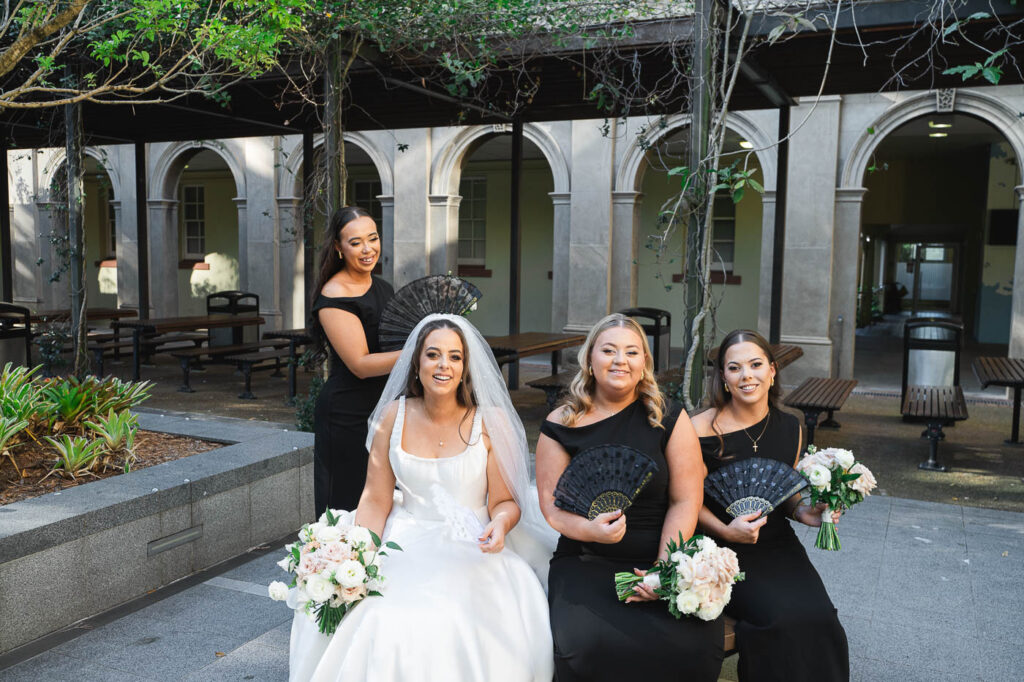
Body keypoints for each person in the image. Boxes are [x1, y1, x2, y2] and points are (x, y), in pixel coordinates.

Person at [290, 314, 556, 682]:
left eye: (454, 357)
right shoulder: (392, 415)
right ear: (416, 363)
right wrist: (358, 555)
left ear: (466, 368)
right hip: (407, 536)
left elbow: (504, 502)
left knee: (457, 619)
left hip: (474, 539)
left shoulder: (489, 421)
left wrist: (501, 523)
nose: (443, 365)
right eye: (433, 355)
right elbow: (375, 498)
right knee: (379, 615)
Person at [535, 313, 724, 682]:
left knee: (692, 648)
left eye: (631, 352)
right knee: (588, 646)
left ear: (644, 365)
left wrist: (664, 569)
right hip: (587, 559)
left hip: (661, 550)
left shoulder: (667, 417)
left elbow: (686, 500)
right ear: (590, 359)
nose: (620, 360)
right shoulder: (562, 423)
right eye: (608, 350)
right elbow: (553, 510)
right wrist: (591, 531)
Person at [692, 329, 849, 682]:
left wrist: (805, 512)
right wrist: (724, 530)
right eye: (735, 368)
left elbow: (785, 492)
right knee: (779, 620)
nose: (747, 375)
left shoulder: (790, 426)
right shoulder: (699, 429)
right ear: (723, 377)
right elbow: (684, 501)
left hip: (777, 544)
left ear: (773, 370)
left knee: (823, 619)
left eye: (756, 364)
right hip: (721, 550)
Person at [309, 206, 401, 515]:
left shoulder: (384, 287)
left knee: (385, 502)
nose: (368, 249)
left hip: (385, 409)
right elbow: (360, 365)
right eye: (355, 242)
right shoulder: (335, 295)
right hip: (346, 414)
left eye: (372, 239)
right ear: (338, 247)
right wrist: (417, 351)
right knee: (346, 505)